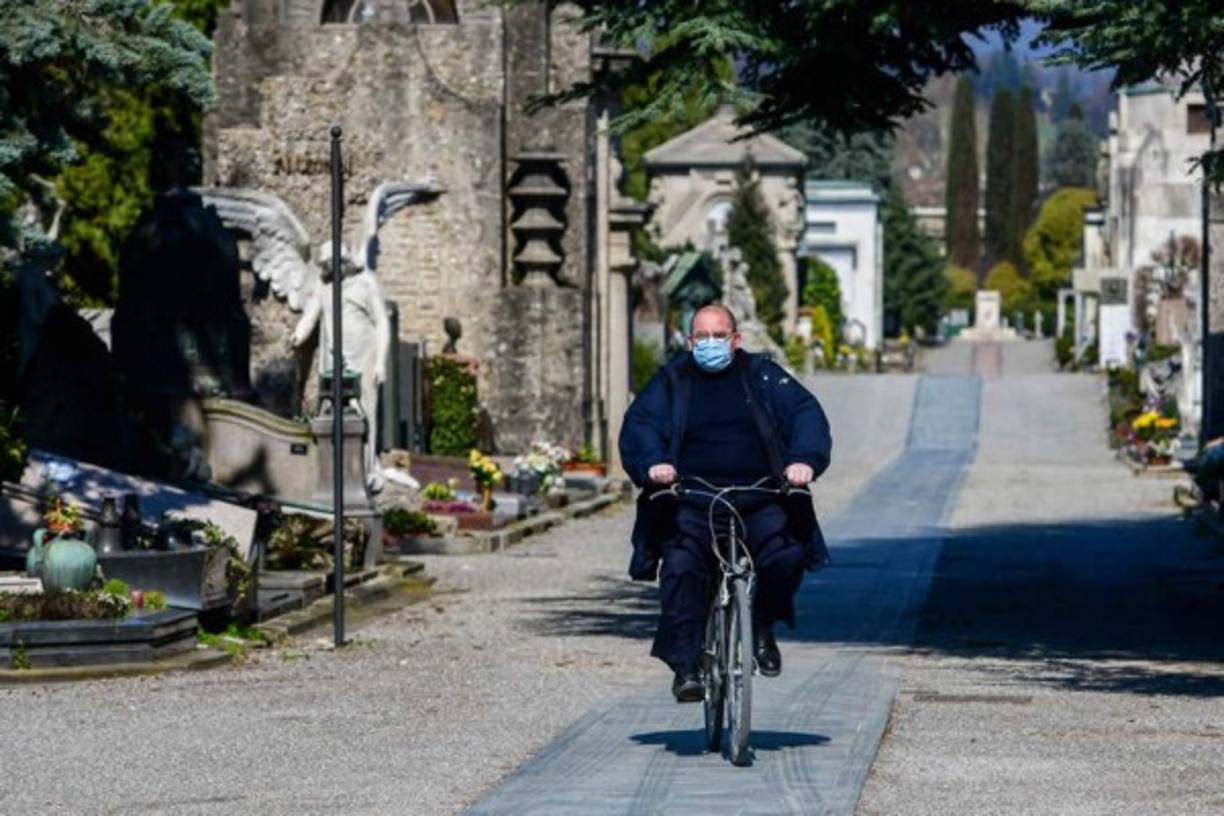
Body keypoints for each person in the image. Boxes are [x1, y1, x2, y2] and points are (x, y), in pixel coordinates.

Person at [619, 304, 832, 702]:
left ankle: (762, 625)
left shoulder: (762, 375)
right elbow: (640, 424)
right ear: (690, 341)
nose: (710, 344)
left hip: (760, 495)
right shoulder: (672, 380)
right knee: (681, 566)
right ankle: (687, 665)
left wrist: (803, 459)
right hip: (692, 499)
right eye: (702, 337)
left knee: (785, 555)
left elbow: (805, 412)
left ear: (736, 340)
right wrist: (654, 464)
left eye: (719, 336)